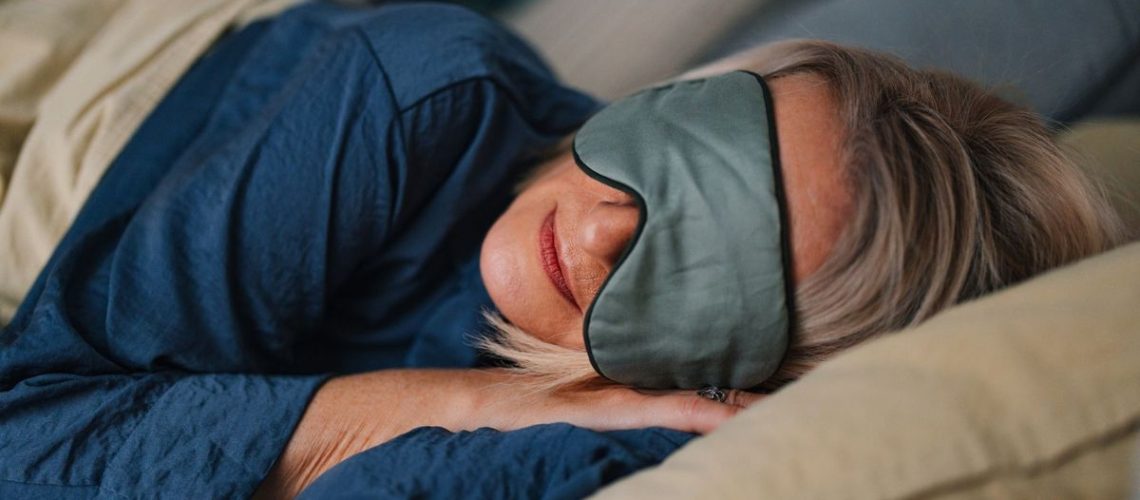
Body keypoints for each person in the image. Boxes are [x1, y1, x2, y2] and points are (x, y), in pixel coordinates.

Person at [0, 2, 1125, 499]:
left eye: (703, 261)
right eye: (686, 146)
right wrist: (470, 402)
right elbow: (22, 439)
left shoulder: (657, 432)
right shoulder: (416, 95)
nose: (594, 228)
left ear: (739, 377)